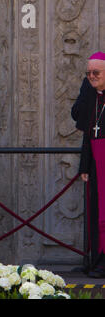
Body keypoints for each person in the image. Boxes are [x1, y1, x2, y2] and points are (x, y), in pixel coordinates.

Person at [78, 51, 105, 278]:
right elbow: (84, 128)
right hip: (96, 162)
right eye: (88, 73)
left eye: (96, 73)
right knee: (95, 213)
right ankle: (95, 259)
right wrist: (84, 167)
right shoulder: (90, 95)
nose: (91, 76)